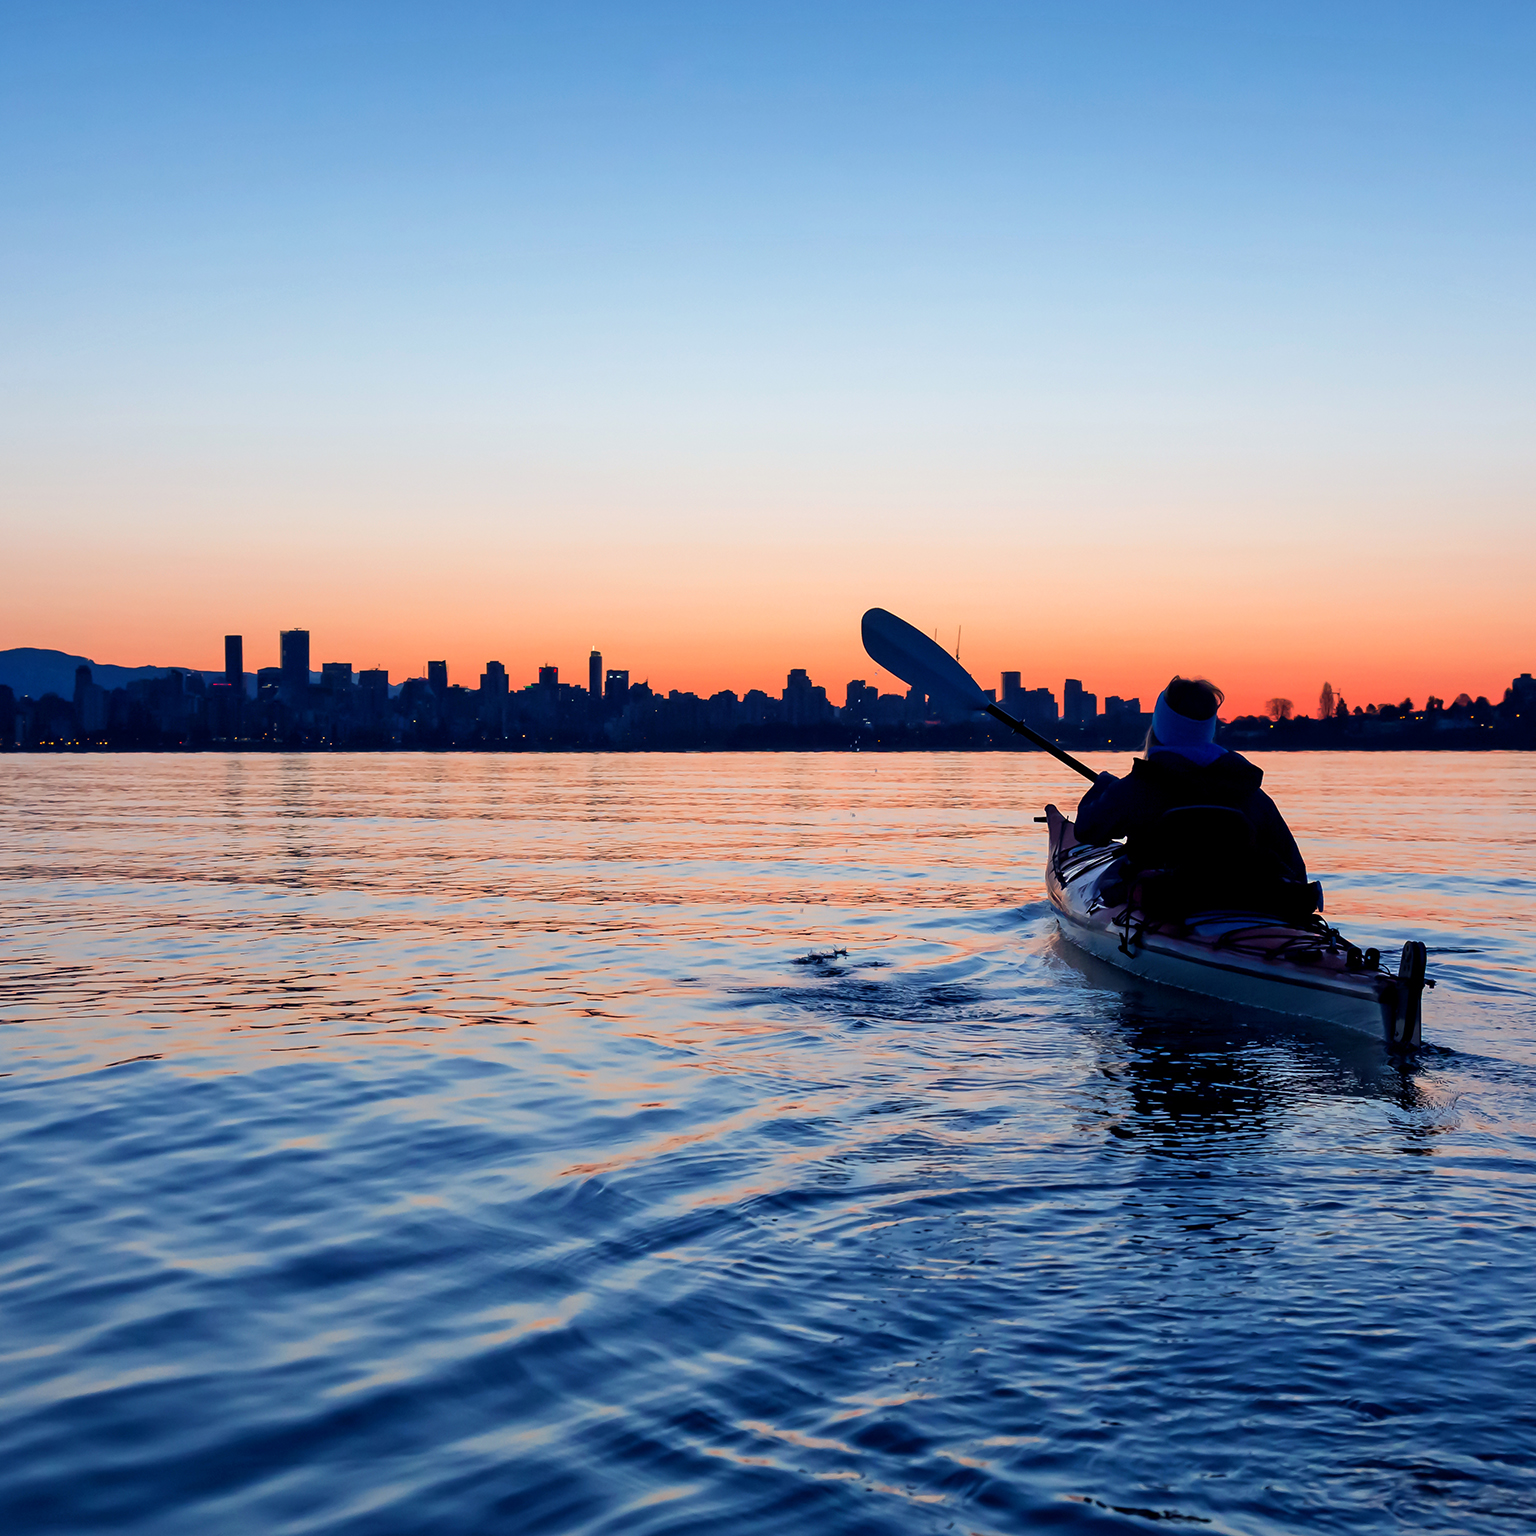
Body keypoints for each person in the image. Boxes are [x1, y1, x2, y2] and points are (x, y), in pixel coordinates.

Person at [1074, 676, 1314, 918]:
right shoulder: (1248, 790)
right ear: (1209, 728)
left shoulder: (1136, 789)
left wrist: (1103, 786)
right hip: (1247, 900)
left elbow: (1087, 830)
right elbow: (1295, 869)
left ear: (1159, 726)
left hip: (1166, 901)